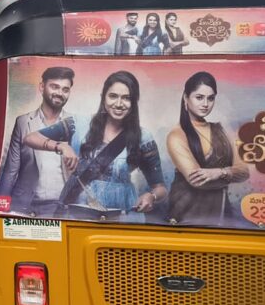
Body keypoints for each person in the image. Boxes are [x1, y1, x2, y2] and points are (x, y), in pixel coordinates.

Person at [23, 71, 168, 223]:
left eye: (126, 98)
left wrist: (152, 196)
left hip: (121, 215)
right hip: (76, 211)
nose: (119, 104)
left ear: (134, 102)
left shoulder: (143, 137)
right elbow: (31, 138)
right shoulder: (80, 124)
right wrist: (61, 147)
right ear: (103, 97)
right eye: (113, 96)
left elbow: (160, 187)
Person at [165, 72, 248, 226]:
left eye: (210, 98)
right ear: (185, 97)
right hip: (186, 214)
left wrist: (218, 172)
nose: (205, 104)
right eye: (199, 97)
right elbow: (198, 181)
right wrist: (230, 173)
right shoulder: (177, 135)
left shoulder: (220, 130)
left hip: (221, 211)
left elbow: (244, 172)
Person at [0, 67, 77, 216]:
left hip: (61, 208)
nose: (59, 93)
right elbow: (11, 170)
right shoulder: (23, 122)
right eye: (54, 87)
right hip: (25, 205)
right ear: (42, 87)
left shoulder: (74, 124)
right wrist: (0, 206)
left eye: (65, 89)